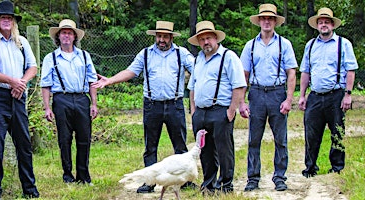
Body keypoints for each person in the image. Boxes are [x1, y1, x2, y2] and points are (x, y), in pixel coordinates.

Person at [91, 21, 195, 193]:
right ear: (155, 36)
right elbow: (131, 71)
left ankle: (185, 181)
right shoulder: (145, 54)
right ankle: (150, 182)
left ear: (171, 37)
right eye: (159, 36)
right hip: (152, 105)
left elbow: (198, 70)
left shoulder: (181, 53)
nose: (161, 40)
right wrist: (109, 80)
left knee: (180, 145)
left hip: (174, 104)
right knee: (150, 146)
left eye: (165, 36)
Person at [0, 1, 39, 199]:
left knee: (24, 145)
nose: (6, 20)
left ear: (13, 21)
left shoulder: (22, 42)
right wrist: (12, 81)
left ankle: (29, 189)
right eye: (2, 17)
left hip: (18, 96)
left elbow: (33, 67)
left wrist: (22, 83)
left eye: (9, 17)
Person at [239, 3, 297, 192]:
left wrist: (289, 99)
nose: (266, 21)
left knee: (280, 139)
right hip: (256, 93)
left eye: (270, 18)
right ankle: (253, 178)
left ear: (275, 22)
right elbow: (244, 75)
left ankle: (279, 177)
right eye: (263, 18)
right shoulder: (251, 45)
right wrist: (242, 100)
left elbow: (291, 73)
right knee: (254, 139)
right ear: (259, 21)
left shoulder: (284, 44)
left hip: (277, 93)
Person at [187, 20, 246, 194]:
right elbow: (193, 86)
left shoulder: (228, 57)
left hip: (220, 110)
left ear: (216, 38)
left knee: (223, 149)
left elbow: (239, 85)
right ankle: (209, 184)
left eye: (209, 38)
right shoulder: (198, 59)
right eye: (202, 39)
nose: (206, 42)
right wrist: (193, 110)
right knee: (205, 150)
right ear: (198, 42)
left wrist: (231, 110)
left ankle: (226, 185)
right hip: (201, 112)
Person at [299, 7, 358, 178]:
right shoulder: (310, 46)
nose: (323, 25)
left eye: (326, 22)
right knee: (311, 134)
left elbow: (351, 70)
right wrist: (302, 96)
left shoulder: (343, 44)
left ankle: (337, 167)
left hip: (336, 95)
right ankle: (310, 168)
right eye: (321, 22)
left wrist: (348, 94)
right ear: (317, 25)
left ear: (332, 25)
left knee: (337, 132)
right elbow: (305, 72)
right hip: (315, 96)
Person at [40, 19, 98, 185]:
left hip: (81, 98)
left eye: (69, 33)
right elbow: (46, 84)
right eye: (63, 33)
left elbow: (92, 81)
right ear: (59, 36)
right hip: (61, 99)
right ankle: (67, 175)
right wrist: (47, 107)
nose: (66, 36)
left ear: (74, 36)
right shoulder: (50, 58)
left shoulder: (84, 56)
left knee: (84, 138)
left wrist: (94, 104)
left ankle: (83, 176)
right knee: (64, 139)